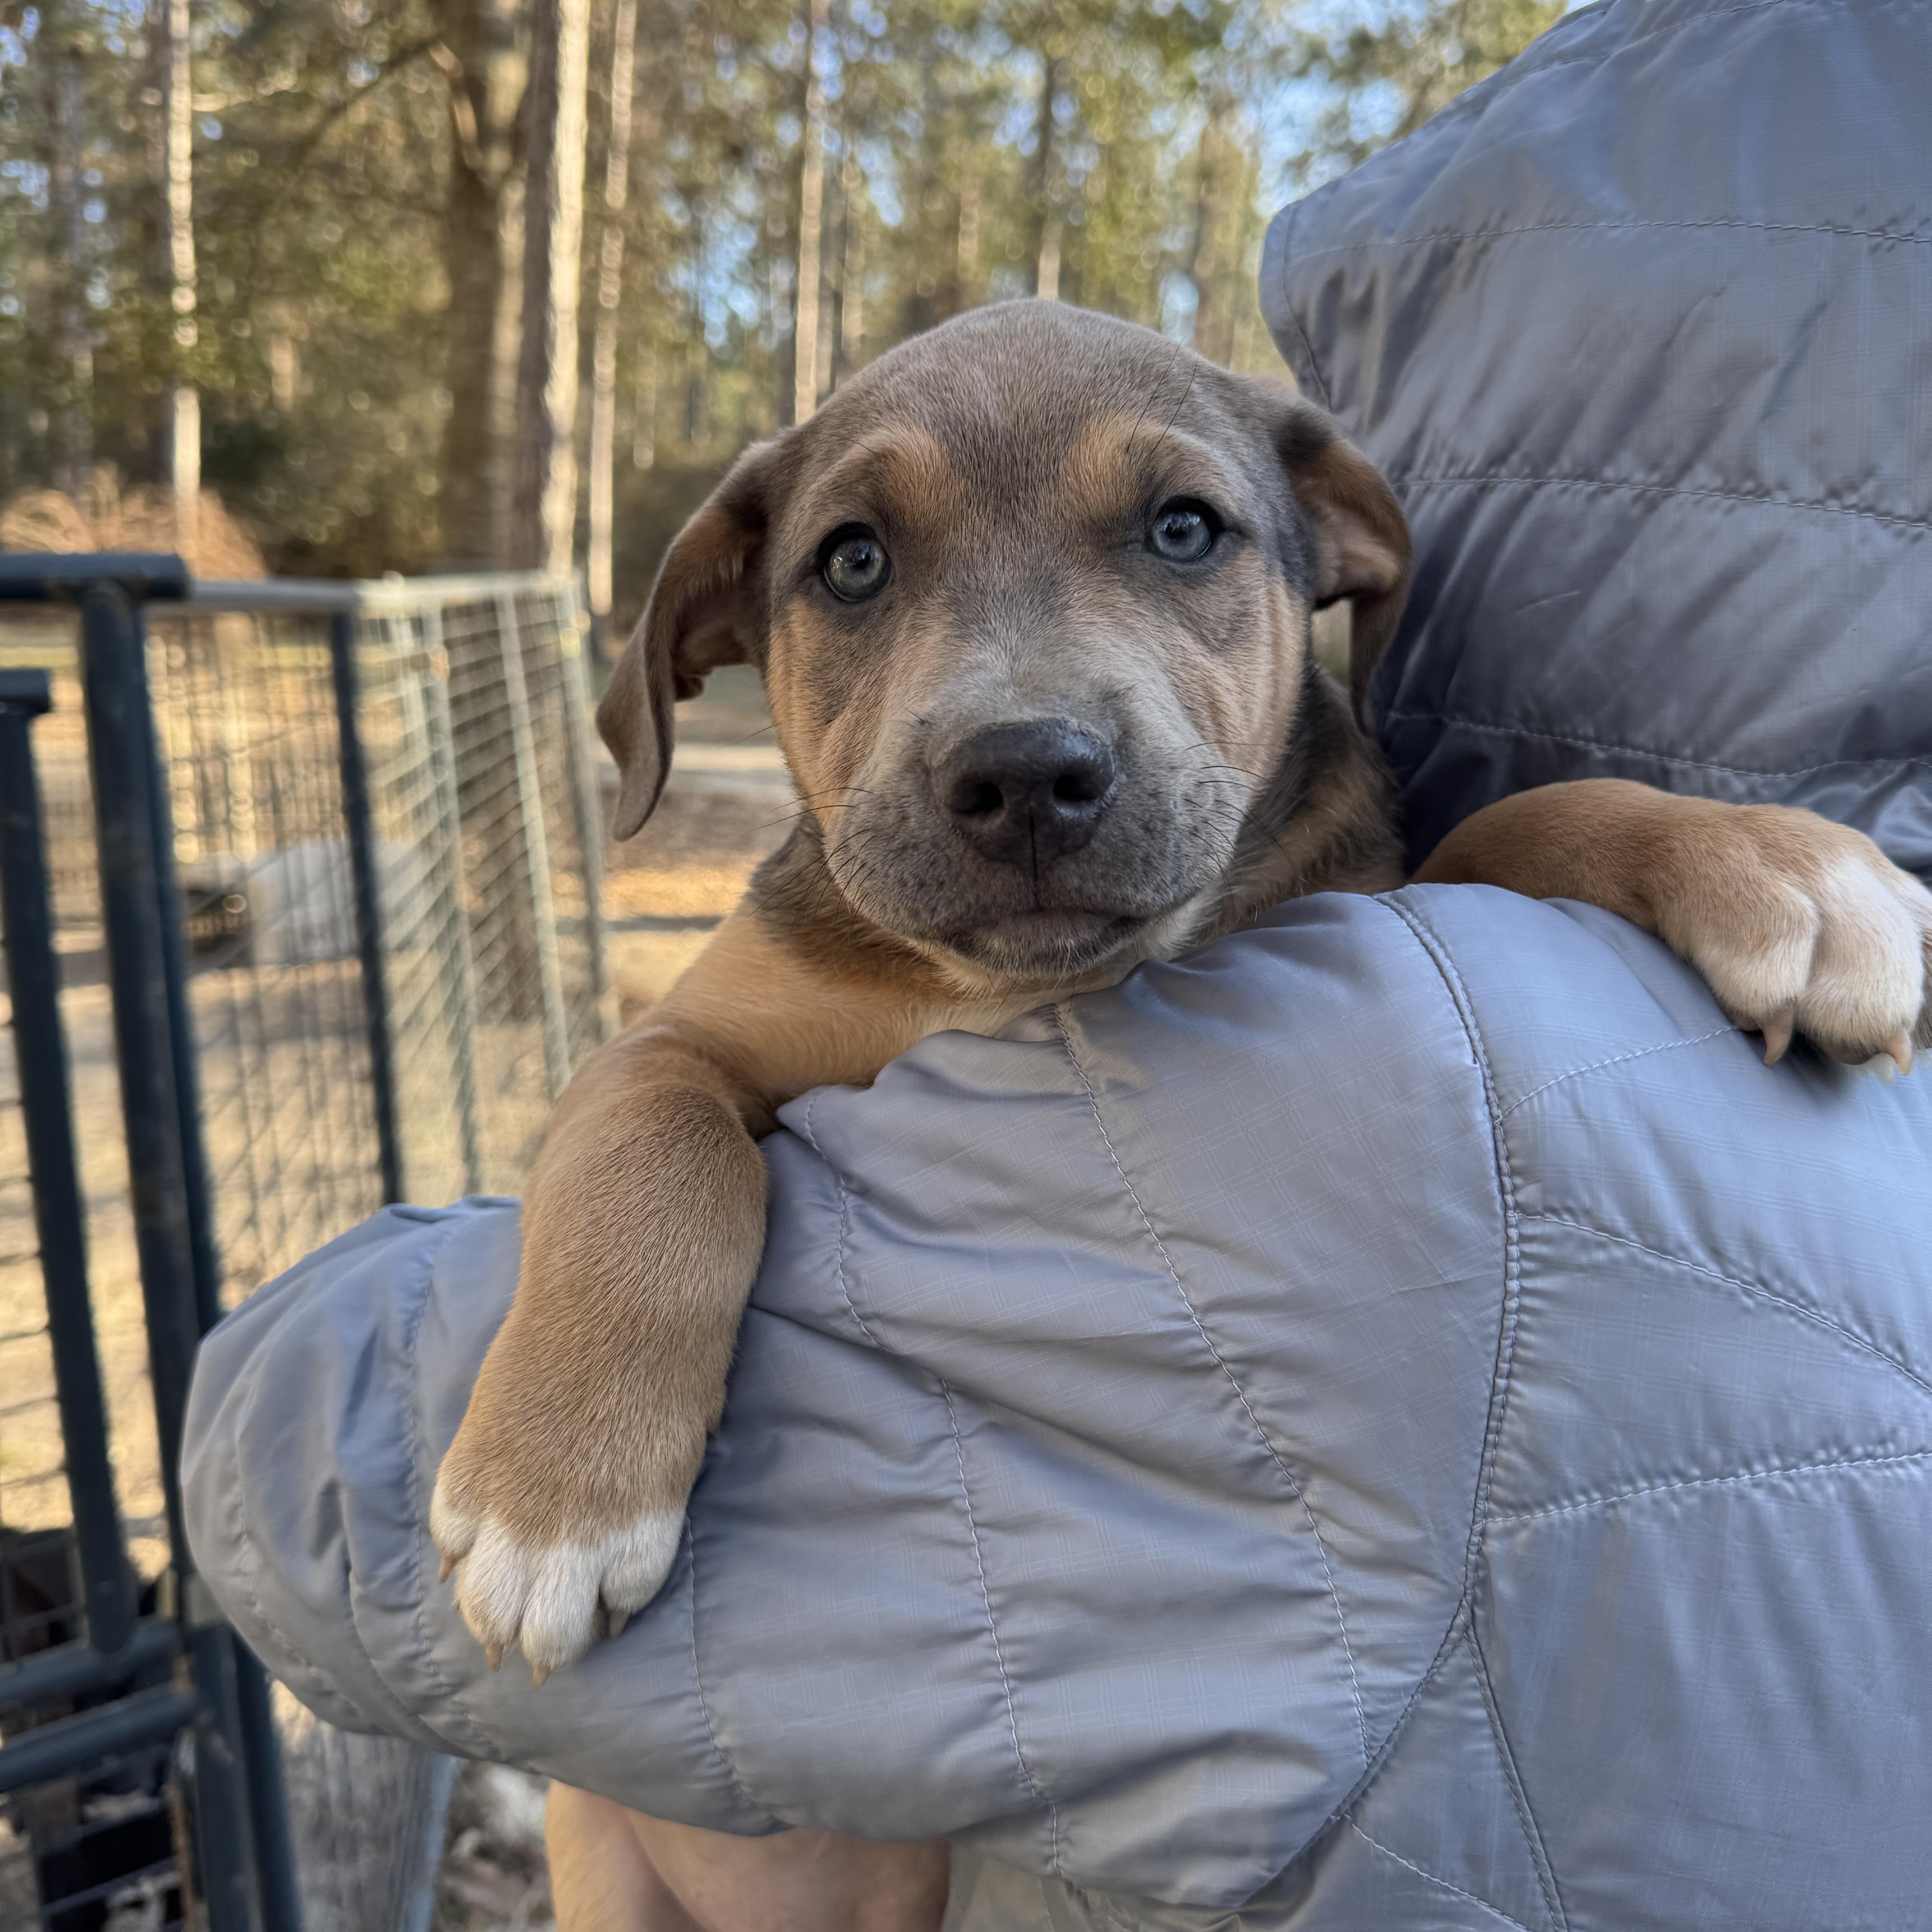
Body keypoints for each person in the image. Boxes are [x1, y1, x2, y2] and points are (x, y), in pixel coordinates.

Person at [185, 0, 1932, 1924]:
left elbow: (1458, 930)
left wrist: (1637, 839)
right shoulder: (829, 929)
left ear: (1338, 559)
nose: (1020, 718)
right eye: (861, 566)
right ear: (717, 629)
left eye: (1177, 531)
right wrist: (605, 1336)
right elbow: (666, 1073)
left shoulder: (1384, 889)